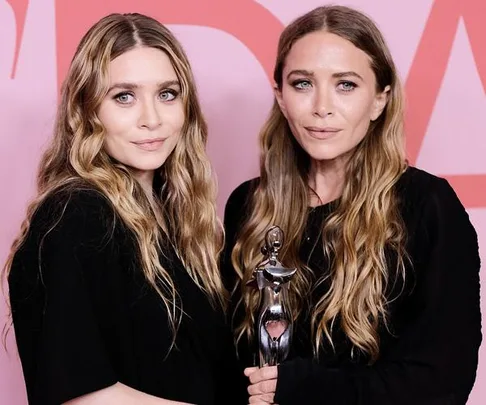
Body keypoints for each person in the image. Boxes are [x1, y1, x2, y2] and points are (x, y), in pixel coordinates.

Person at [223, 5, 482, 405]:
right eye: (302, 83)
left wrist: (304, 388)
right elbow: (225, 362)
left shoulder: (427, 206)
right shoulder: (249, 205)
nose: (321, 107)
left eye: (346, 85)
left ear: (380, 100)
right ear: (280, 96)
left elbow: (442, 382)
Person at [4, 13, 243, 405]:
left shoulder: (179, 219)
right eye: (124, 97)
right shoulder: (74, 215)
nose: (151, 119)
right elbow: (79, 395)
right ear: (87, 110)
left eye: (167, 94)